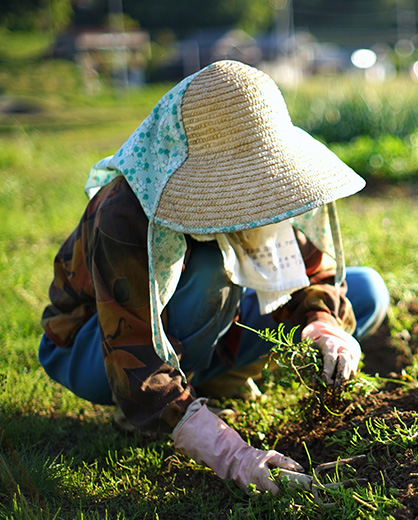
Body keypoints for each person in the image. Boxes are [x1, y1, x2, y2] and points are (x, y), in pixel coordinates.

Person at [38, 60, 390, 495]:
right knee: (211, 273)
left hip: (204, 321)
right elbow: (130, 348)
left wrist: (323, 325)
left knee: (367, 290)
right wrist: (232, 454)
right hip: (94, 346)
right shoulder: (126, 213)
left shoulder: (271, 187)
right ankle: (167, 408)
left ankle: (213, 376)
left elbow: (314, 271)